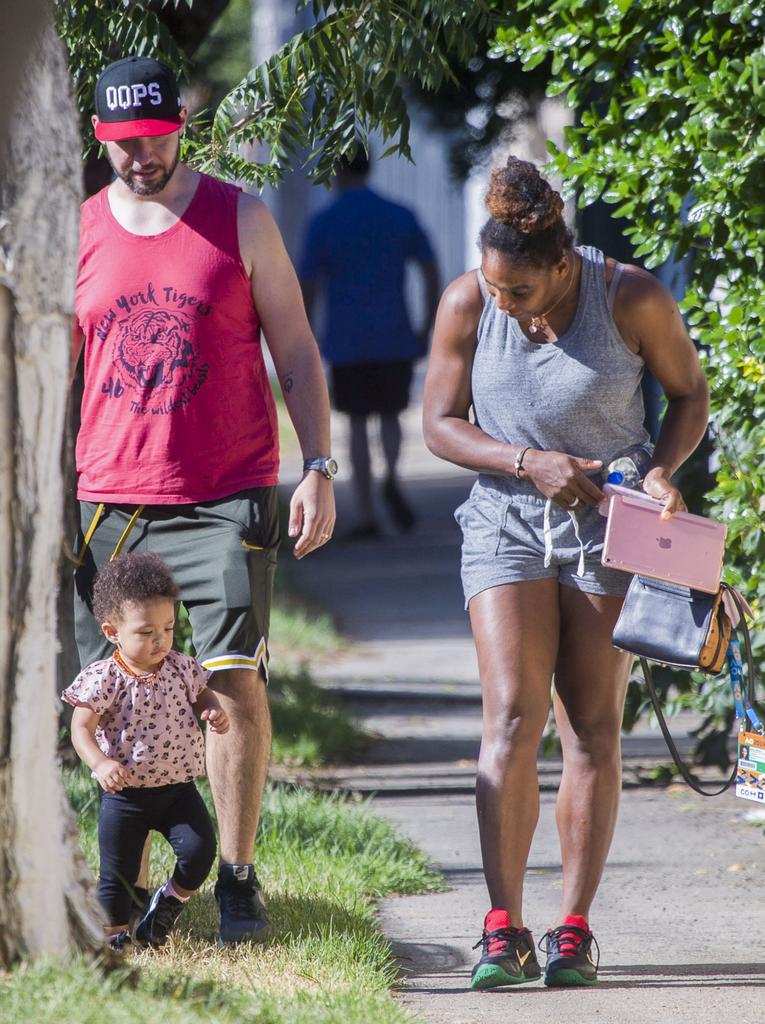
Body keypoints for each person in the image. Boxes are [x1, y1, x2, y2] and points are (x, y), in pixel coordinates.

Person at [423, 157, 709, 989]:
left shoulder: (630, 297)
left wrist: (661, 470)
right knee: (513, 715)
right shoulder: (468, 301)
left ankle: (574, 931)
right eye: (494, 289)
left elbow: (687, 395)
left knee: (591, 724)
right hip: (504, 521)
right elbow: (440, 425)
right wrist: (526, 461)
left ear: (562, 264)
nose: (505, 307)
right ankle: (502, 929)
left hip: (607, 531)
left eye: (521, 292)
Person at [72, 55, 336, 944]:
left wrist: (320, 466)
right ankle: (126, 898)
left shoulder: (240, 218)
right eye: (120, 143)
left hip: (226, 491)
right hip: (111, 499)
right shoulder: (74, 233)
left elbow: (295, 349)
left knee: (231, 684)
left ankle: (237, 877)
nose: (140, 156)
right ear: (100, 137)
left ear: (181, 121)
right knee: (113, 694)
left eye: (153, 138)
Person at [63, 553, 230, 950]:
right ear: (111, 631)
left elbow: (201, 691)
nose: (160, 639)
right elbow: (80, 728)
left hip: (178, 790)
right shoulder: (104, 677)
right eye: (146, 631)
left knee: (200, 852)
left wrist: (210, 708)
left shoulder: (180, 666)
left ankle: (169, 902)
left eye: (169, 628)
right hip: (126, 798)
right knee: (116, 878)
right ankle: (114, 938)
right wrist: (100, 763)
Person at [299, 146, 439, 538]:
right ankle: (392, 475)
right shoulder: (398, 214)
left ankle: (365, 514)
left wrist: (304, 335)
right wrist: (427, 323)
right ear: (370, 166)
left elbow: (308, 283)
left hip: (346, 339)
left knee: (356, 422)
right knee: (392, 414)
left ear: (335, 171)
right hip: (394, 332)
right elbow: (430, 268)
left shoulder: (325, 222)